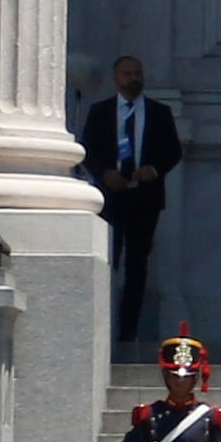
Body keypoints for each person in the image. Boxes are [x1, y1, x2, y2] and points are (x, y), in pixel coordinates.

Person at [80, 55, 185, 350]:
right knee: (107, 260)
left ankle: (128, 332)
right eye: (127, 74)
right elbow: (87, 150)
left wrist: (154, 170)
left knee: (137, 266)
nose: (133, 79)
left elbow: (173, 150)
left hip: (144, 198)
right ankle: (100, 325)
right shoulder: (100, 112)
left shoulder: (159, 112)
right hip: (111, 197)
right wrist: (104, 173)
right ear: (116, 78)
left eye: (137, 73)